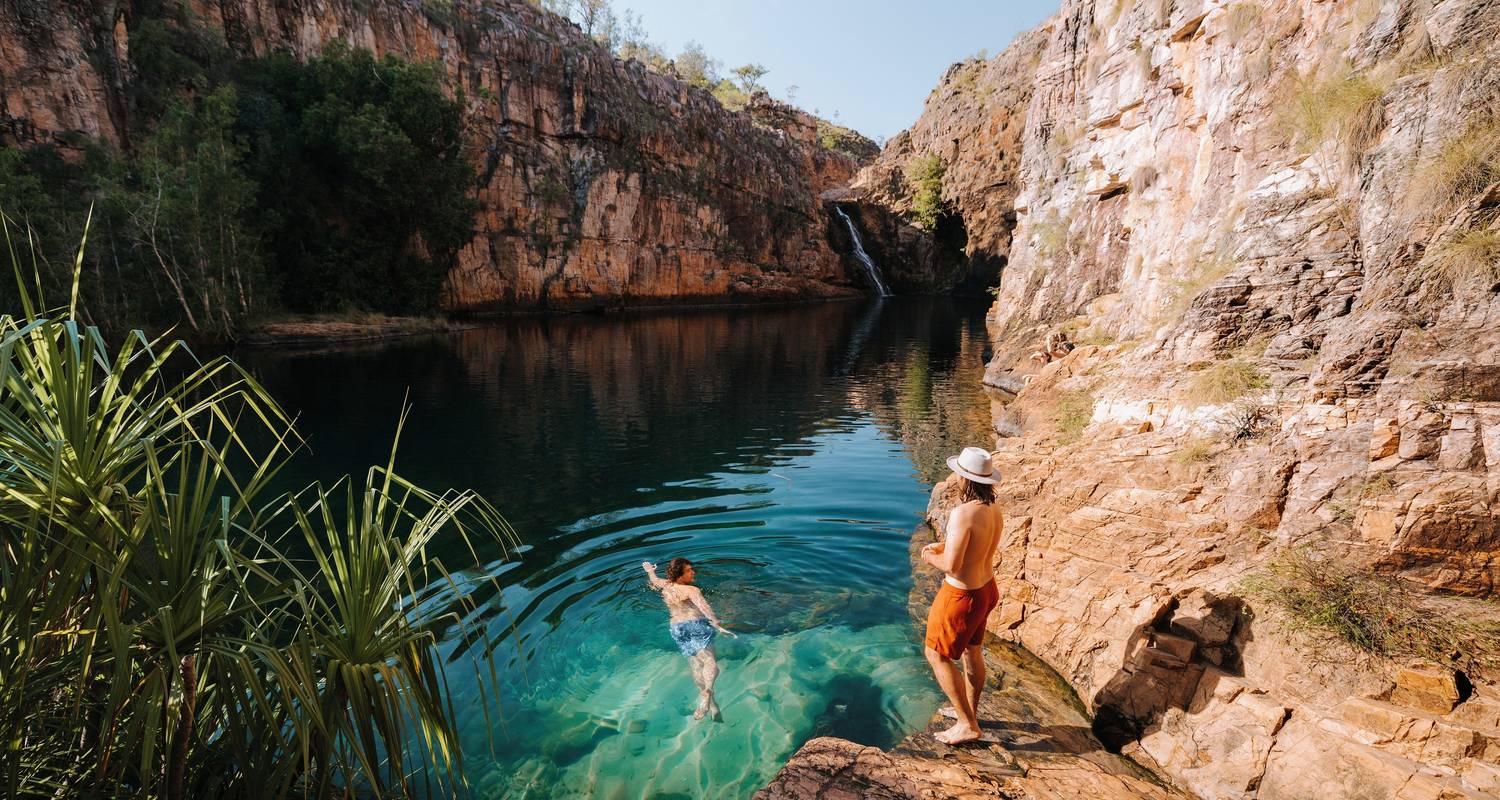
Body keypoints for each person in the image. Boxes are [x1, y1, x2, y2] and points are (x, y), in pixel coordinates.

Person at [919, 446, 1003, 744]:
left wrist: (929, 556)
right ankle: (970, 712)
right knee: (972, 652)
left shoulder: (962, 513)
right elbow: (975, 548)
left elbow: (952, 566)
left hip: (962, 596)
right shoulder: (992, 509)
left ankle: (968, 725)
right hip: (986, 590)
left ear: (964, 480)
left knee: (936, 655)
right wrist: (942, 547)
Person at [643, 557, 737, 720]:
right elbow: (705, 608)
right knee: (710, 663)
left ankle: (711, 702)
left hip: (676, 628)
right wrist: (718, 625)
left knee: (695, 664)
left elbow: (654, 580)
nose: (693, 572)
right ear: (680, 575)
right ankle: (707, 692)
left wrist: (650, 570)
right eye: (689, 570)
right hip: (696, 625)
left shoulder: (666, 586)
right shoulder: (692, 590)